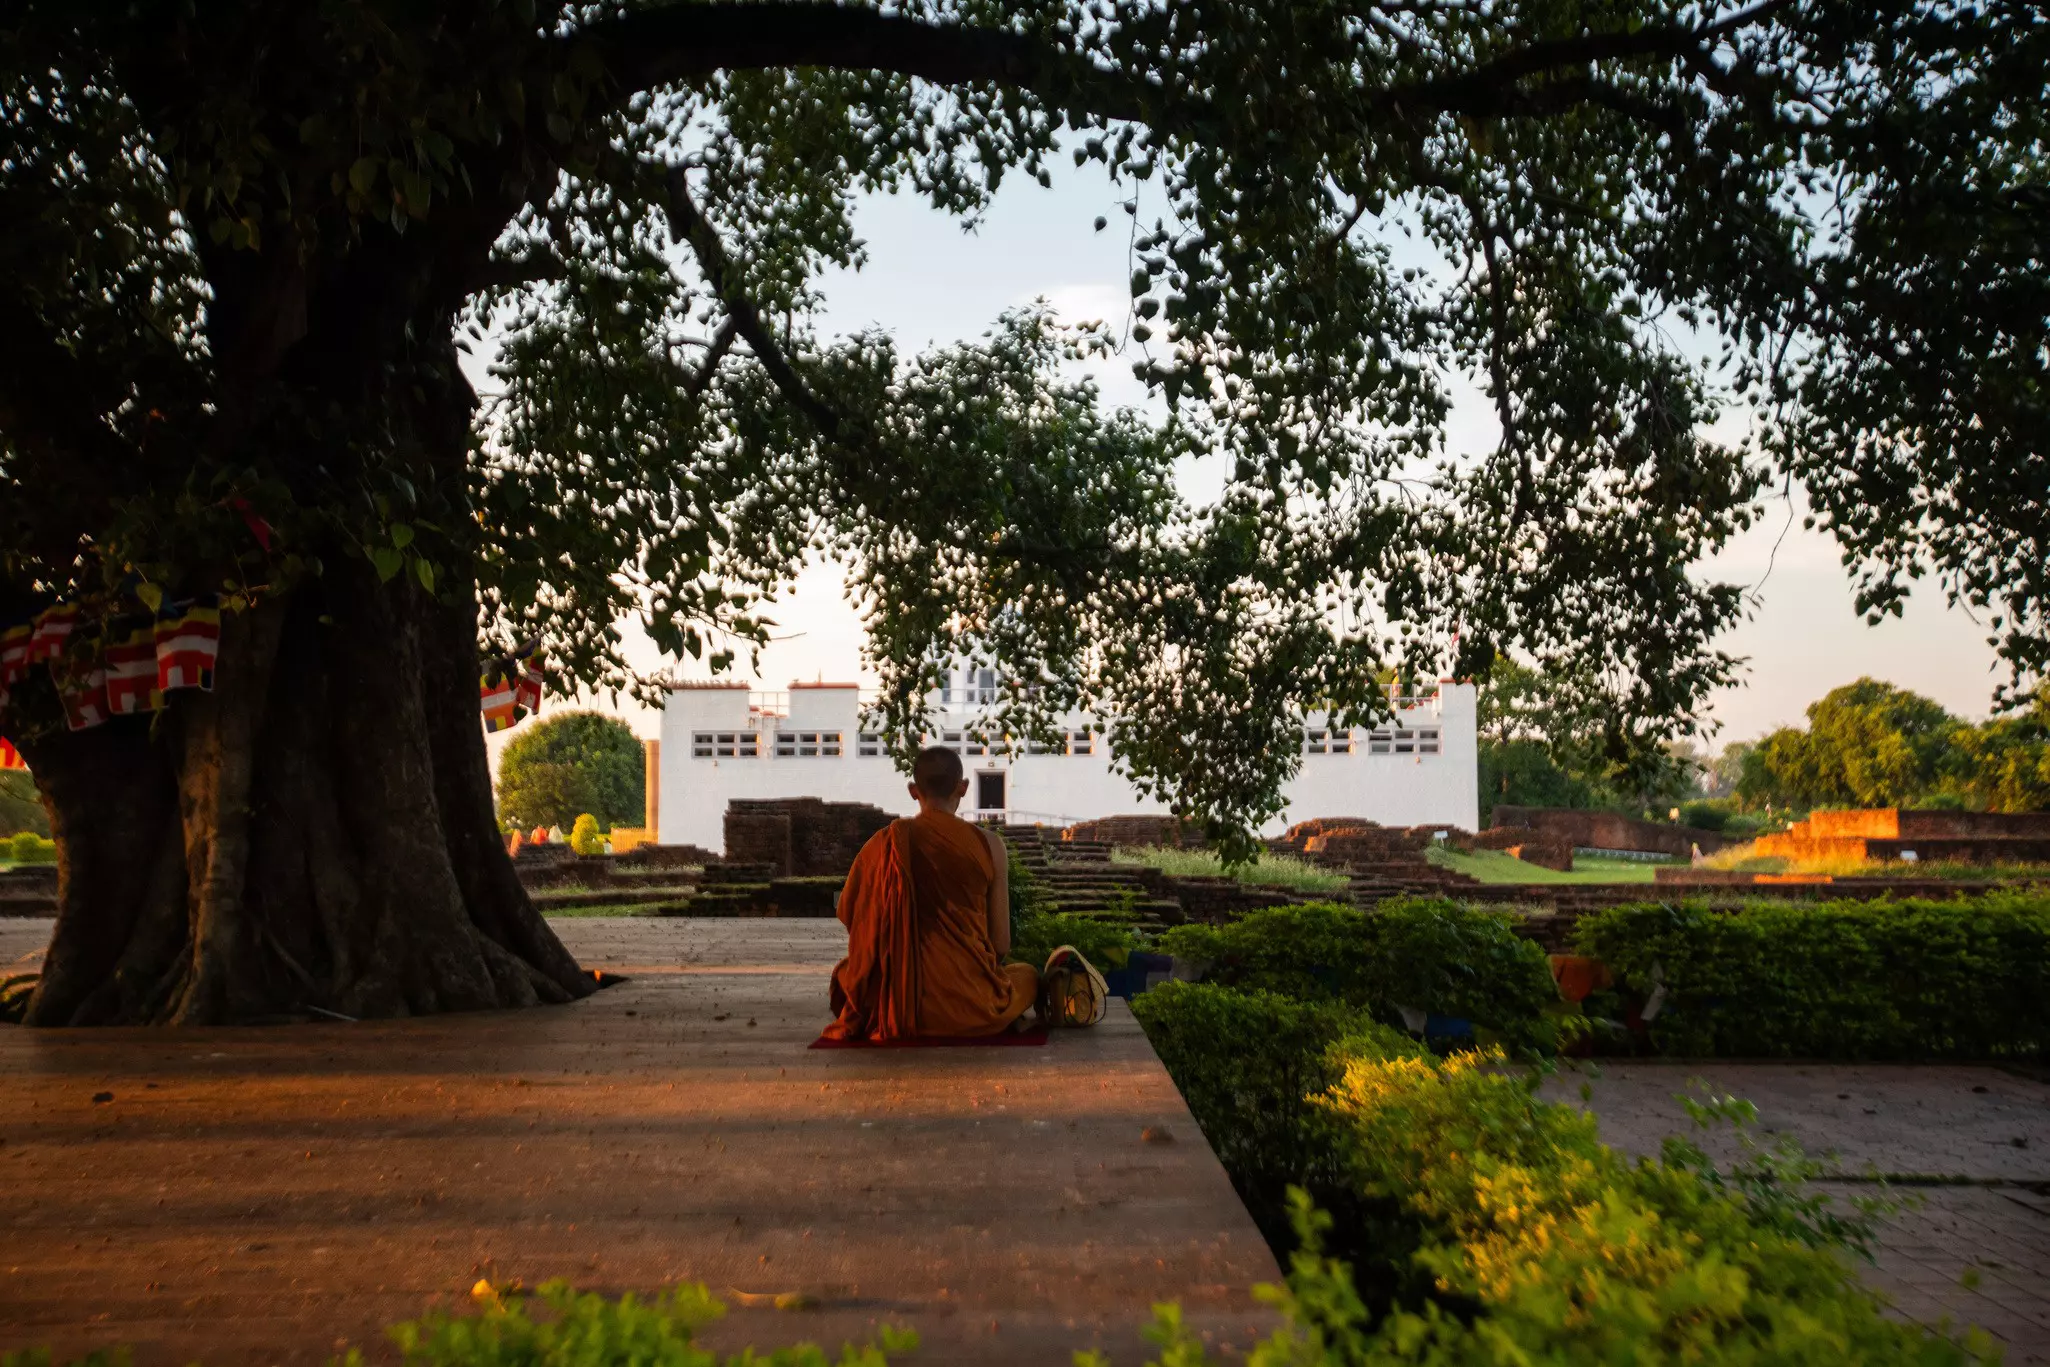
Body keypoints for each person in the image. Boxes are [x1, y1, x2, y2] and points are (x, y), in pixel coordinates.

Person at [822, 746, 1040, 1041]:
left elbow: (852, 917)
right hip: (973, 1006)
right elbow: (1000, 944)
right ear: (963, 788)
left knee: (845, 974)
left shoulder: (884, 845)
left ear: (914, 791)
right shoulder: (990, 846)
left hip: (895, 1004)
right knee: (1028, 976)